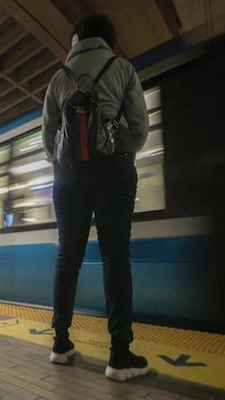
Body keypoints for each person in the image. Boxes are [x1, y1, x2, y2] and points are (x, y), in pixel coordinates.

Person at [42, 15, 150, 381]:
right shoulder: (122, 68)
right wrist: (119, 150)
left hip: (68, 176)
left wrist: (67, 162)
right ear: (108, 39)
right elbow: (140, 127)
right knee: (115, 257)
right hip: (114, 171)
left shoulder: (58, 78)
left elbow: (47, 140)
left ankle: (60, 344)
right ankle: (119, 355)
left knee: (67, 257)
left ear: (75, 40)